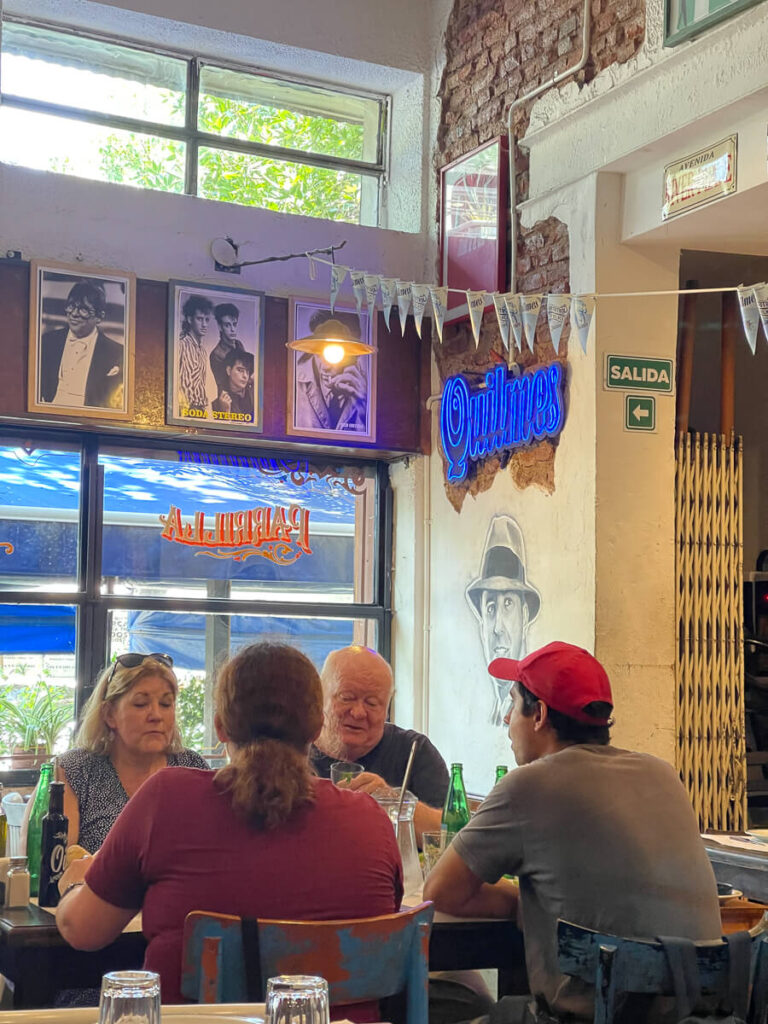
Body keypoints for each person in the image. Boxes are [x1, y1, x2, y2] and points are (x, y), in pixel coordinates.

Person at [56, 643, 403, 1009]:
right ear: (318, 726)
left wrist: (78, 880)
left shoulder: (166, 799)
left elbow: (82, 931)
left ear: (220, 725)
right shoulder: (371, 820)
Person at [424, 641, 721, 1024]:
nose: (506, 719)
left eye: (513, 704)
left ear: (539, 715)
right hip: (698, 1014)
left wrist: (519, 903)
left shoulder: (529, 785)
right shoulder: (663, 773)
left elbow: (439, 892)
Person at [54, 653, 208, 853]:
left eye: (166, 704)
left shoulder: (193, 767)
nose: (156, 715)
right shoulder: (75, 770)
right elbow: (48, 866)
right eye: (141, 704)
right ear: (109, 714)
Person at [310, 645, 449, 839]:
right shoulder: (293, 748)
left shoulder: (414, 750)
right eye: (347, 698)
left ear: (387, 708)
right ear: (320, 697)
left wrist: (392, 801)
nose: (358, 712)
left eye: (372, 703)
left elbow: (450, 833)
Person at [466, 515, 541, 725]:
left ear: (524, 615)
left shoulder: (534, 709)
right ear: (481, 624)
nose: (498, 627)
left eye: (508, 604)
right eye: (490, 608)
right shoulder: (480, 710)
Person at [39, 279, 124, 410]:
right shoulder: (47, 341)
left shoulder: (117, 353)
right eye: (71, 306)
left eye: (83, 310)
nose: (74, 314)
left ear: (99, 317)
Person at [294, 310, 368, 432]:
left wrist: (364, 407)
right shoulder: (296, 381)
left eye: (337, 356)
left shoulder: (364, 387)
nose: (325, 366)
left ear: (353, 357)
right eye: (319, 354)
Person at [177, 294, 215, 414]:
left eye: (207, 320)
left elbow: (202, 384)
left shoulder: (203, 352)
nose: (204, 324)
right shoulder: (181, 345)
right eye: (200, 319)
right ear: (189, 319)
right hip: (184, 410)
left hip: (200, 411)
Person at [209, 302, 247, 394]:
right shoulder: (216, 354)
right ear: (220, 327)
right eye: (227, 325)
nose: (233, 329)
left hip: (244, 398)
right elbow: (224, 386)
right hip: (227, 402)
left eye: (234, 324)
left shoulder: (238, 344)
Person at [211, 350, 254, 421]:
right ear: (229, 370)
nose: (245, 376)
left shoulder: (254, 393)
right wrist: (226, 414)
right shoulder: (221, 402)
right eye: (240, 370)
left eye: (247, 371)